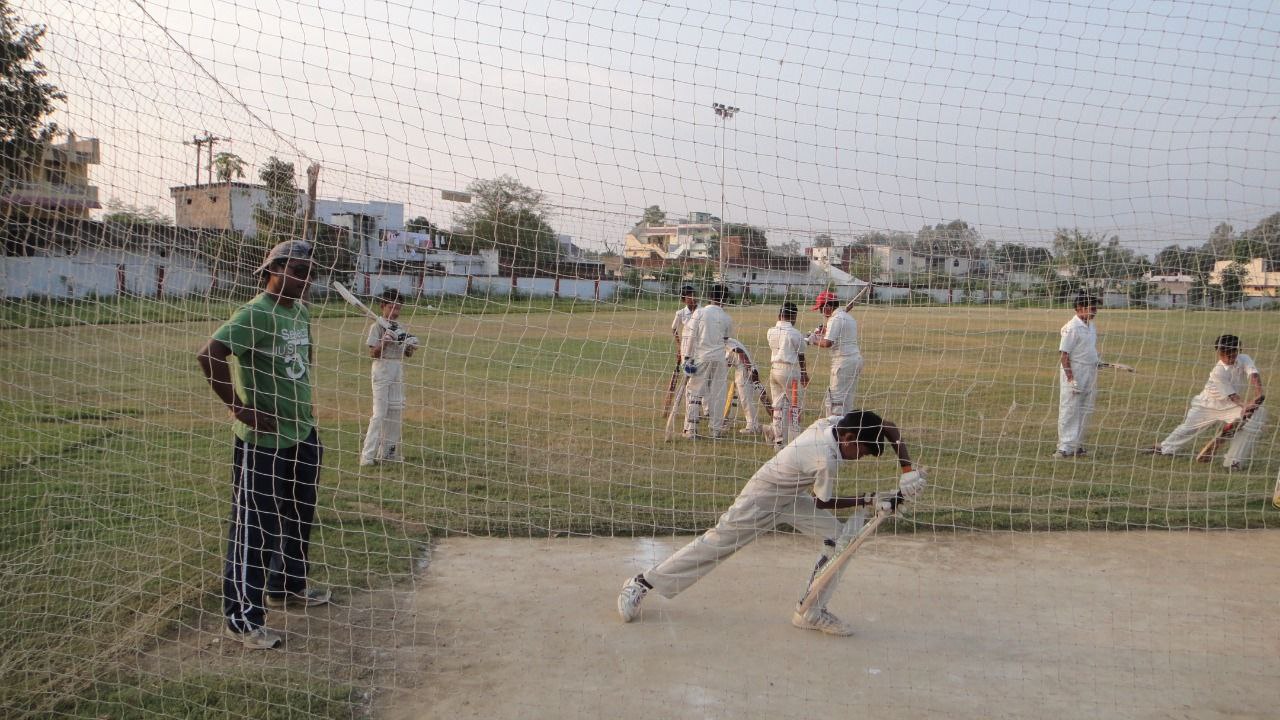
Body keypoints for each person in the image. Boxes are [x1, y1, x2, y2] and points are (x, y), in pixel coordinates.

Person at [617, 410, 926, 636]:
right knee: (716, 545)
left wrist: (907, 469)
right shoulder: (825, 457)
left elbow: (887, 425)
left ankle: (811, 611)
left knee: (840, 539)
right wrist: (871, 499)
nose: (861, 457)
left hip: (789, 498)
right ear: (847, 438)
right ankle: (641, 583)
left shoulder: (835, 424)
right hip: (762, 499)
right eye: (861, 450)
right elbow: (823, 502)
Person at [196, 240, 331, 651]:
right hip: (263, 442)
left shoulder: (301, 311)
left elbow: (301, 368)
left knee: (298, 515)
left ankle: (287, 585)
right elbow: (210, 354)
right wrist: (240, 408)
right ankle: (243, 618)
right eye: (296, 269)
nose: (305, 278)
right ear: (272, 270)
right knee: (256, 526)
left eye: (309, 271)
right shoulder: (254, 314)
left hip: (302, 432)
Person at [1146, 334, 1266, 470]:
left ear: (1237, 351)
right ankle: (1165, 448)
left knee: (1257, 415)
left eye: (1232, 355)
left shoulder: (1244, 359)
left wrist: (1259, 394)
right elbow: (1232, 396)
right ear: (1219, 353)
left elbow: (1254, 375)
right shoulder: (1217, 372)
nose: (1228, 359)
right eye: (1224, 355)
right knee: (1187, 428)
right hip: (1206, 405)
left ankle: (1233, 461)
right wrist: (1245, 406)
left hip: (1230, 407)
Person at [360, 289, 418, 466]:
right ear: (383, 306)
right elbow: (373, 353)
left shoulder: (400, 327)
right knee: (380, 412)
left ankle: (388, 453)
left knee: (396, 411)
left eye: (398, 308)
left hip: (397, 368)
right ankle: (367, 456)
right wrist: (385, 341)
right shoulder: (376, 326)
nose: (395, 311)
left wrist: (411, 345)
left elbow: (406, 354)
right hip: (382, 368)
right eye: (391, 307)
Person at [681, 284, 733, 439]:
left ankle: (690, 429)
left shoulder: (700, 313)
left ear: (710, 296)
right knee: (718, 393)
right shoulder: (727, 318)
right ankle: (715, 430)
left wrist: (687, 358)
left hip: (701, 358)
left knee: (694, 392)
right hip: (719, 359)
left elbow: (691, 337)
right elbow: (726, 341)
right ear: (725, 300)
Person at [1056, 294, 1102, 458]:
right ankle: (1064, 447)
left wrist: (1097, 360)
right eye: (1091, 308)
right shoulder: (1072, 328)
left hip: (1090, 371)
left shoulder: (1091, 326)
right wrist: (1071, 378)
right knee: (1070, 409)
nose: (1095, 311)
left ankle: (1077, 445)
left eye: (1095, 308)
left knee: (1085, 408)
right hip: (1075, 372)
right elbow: (1064, 355)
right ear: (1079, 309)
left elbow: (1089, 348)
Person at [807, 290, 863, 417]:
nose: (822, 312)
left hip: (843, 362)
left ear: (828, 306)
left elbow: (828, 343)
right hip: (855, 360)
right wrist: (823, 332)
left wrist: (813, 340)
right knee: (847, 400)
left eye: (822, 308)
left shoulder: (835, 319)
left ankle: (834, 430)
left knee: (835, 400)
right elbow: (836, 334)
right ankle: (847, 428)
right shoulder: (846, 317)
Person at [766, 302, 809, 449]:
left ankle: (778, 440)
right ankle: (794, 440)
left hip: (774, 369)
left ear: (779, 315)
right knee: (795, 405)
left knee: (777, 406)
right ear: (794, 316)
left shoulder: (770, 331)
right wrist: (804, 373)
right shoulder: (795, 333)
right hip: (789, 370)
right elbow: (801, 355)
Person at [724, 337, 770, 435]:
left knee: (746, 400)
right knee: (747, 399)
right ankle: (755, 424)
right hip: (745, 369)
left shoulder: (726, 343)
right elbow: (729, 360)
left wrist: (749, 368)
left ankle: (753, 426)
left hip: (744, 370)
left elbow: (740, 352)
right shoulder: (730, 340)